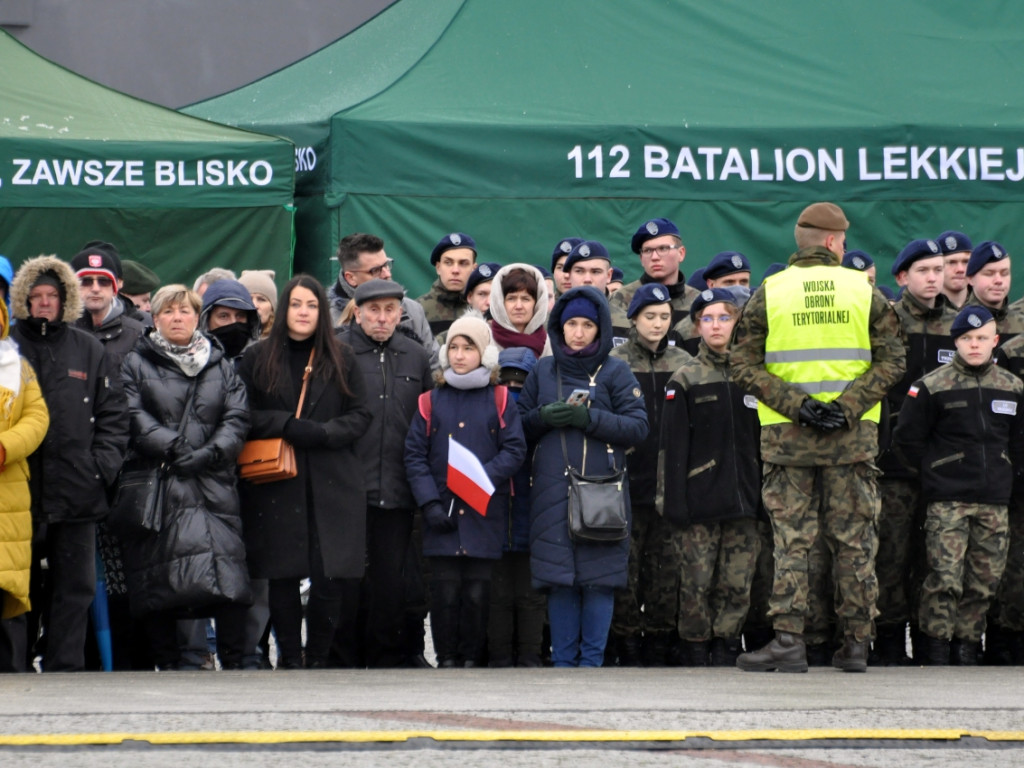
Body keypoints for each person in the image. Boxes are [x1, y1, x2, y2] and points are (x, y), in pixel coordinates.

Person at [731, 202, 905, 674]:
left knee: (792, 541)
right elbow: (893, 361)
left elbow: (742, 363)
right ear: (832, 242)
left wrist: (797, 405)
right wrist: (847, 407)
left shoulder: (771, 291)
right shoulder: (862, 290)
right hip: (850, 440)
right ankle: (855, 645)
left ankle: (789, 641)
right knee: (854, 541)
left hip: (788, 439)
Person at [238, 275, 371, 669]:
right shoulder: (258, 357)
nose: (303, 312)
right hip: (279, 481)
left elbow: (361, 414)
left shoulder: (342, 357)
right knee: (282, 575)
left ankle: (318, 657)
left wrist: (325, 433)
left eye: (311, 305)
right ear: (284, 310)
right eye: (296, 304)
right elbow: (242, 415)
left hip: (334, 481)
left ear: (321, 312)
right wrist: (284, 424)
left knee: (330, 576)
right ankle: (290, 657)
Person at [118, 285, 252, 670]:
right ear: (155, 318)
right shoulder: (135, 362)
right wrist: (174, 447)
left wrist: (212, 452)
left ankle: (238, 661)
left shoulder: (221, 364)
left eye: (185, 310)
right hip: (162, 483)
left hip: (213, 483)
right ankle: (170, 664)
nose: (177, 317)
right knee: (160, 579)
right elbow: (130, 413)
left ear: (198, 317)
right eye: (168, 311)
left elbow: (237, 416)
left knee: (226, 578)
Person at [518, 286, 648, 667]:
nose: (578, 332)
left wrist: (589, 419)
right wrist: (542, 418)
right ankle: (563, 662)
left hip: (601, 493)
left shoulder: (616, 370)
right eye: (571, 323)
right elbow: (517, 428)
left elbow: (638, 427)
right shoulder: (543, 370)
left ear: (600, 328)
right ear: (559, 327)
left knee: (599, 579)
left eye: (587, 325)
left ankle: (591, 663)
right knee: (559, 581)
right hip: (551, 492)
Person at [10, 256, 129, 673]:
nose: (44, 304)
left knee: (75, 589)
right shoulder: (9, 348)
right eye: (36, 296)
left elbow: (114, 415)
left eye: (52, 297)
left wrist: (100, 468)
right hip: (19, 491)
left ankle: (65, 672)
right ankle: (14, 669)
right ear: (23, 300)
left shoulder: (89, 348)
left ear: (66, 301)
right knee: (19, 588)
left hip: (78, 489)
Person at [892, 306, 1024, 665]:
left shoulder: (1012, 387)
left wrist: (1009, 475)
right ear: (956, 342)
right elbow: (907, 440)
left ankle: (967, 645)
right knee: (944, 577)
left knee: (984, 580)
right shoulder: (933, 386)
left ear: (995, 341)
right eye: (966, 338)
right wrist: (935, 473)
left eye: (982, 338)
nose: (975, 345)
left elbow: (1018, 442)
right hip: (948, 500)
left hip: (994, 500)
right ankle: (935, 646)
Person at [405, 316, 526, 668]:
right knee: (444, 591)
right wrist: (429, 502)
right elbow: (415, 455)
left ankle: (472, 656)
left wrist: (480, 480)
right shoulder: (430, 401)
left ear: (484, 354)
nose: (459, 355)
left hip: (483, 511)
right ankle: (447, 656)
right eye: (454, 348)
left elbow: (514, 449)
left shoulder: (501, 399)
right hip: (440, 511)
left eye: (468, 348)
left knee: (476, 591)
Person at [661, 287, 762, 668]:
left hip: (746, 500)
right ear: (697, 326)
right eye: (707, 318)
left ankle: (726, 642)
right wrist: (674, 501)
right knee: (696, 581)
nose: (716, 325)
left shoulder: (756, 375)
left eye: (725, 317)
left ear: (738, 323)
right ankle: (696, 644)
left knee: (738, 582)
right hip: (699, 500)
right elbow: (671, 448)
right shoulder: (684, 378)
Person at [336, 279, 432, 667]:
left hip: (397, 486)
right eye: (373, 310)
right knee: (345, 578)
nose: (381, 318)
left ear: (400, 313)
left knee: (390, 579)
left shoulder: (415, 354)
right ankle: (341, 657)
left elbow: (427, 421)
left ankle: (383, 658)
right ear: (357, 312)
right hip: (346, 486)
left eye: (389, 310)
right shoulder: (338, 351)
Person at [873, 239, 957, 664]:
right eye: (924, 270)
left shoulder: (958, 325)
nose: (933, 278)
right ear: (902, 277)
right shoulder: (887, 323)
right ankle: (888, 641)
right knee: (890, 553)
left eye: (938, 270)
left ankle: (931, 641)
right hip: (892, 463)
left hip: (945, 463)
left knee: (936, 558)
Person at [607, 283, 690, 666]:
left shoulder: (683, 363)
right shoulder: (616, 362)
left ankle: (659, 639)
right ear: (634, 319)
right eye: (649, 316)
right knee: (626, 565)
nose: (657, 324)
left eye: (664, 317)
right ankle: (624, 639)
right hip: (628, 481)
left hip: (670, 483)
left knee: (665, 566)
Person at [488, 346, 546, 667]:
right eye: (506, 383)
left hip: (529, 513)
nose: (512, 392)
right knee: (502, 595)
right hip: (500, 514)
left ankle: (528, 655)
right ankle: (503, 656)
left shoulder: (539, 418)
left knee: (528, 595)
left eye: (520, 385)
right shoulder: (488, 411)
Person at [0, 298, 49, 673]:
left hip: (9, 490)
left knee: (6, 591)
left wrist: (5, 448)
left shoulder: (18, 367)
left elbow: (36, 416)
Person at [328, 232, 437, 367]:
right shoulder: (326, 317)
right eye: (375, 270)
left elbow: (433, 366)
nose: (387, 274)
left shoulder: (413, 311)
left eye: (386, 265)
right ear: (351, 278)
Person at [609, 218, 701, 342]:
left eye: (663, 249)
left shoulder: (698, 302)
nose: (655, 257)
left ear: (681, 253)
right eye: (647, 251)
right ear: (641, 259)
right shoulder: (620, 299)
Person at [70, 248, 146, 368]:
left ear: (114, 289)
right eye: (86, 281)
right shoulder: (59, 331)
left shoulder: (138, 334)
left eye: (104, 281)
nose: (95, 288)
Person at [673, 251, 752, 354]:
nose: (738, 288)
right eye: (729, 282)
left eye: (743, 282)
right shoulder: (687, 330)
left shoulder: (759, 320)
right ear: (711, 285)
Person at [966, 241, 1024, 346]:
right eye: (989, 274)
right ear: (970, 278)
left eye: (1004, 273)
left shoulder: (1021, 326)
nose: (998, 280)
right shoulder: (954, 323)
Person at [418, 233, 476, 335]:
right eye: (448, 263)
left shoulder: (483, 308)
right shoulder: (418, 311)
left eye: (463, 263)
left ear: (474, 269)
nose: (455, 270)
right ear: (438, 268)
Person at [488, 264, 551, 358]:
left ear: (537, 303)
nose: (518, 306)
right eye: (511, 299)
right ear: (500, 302)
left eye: (526, 299)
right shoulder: (486, 338)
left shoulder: (546, 343)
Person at [238, 269, 277, 340]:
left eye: (261, 299)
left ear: (272, 308)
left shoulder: (282, 343)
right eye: (248, 299)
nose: (254, 305)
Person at [938, 231, 972, 309]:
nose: (960, 269)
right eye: (952, 262)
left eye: (966, 262)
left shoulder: (986, 306)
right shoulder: (926, 308)